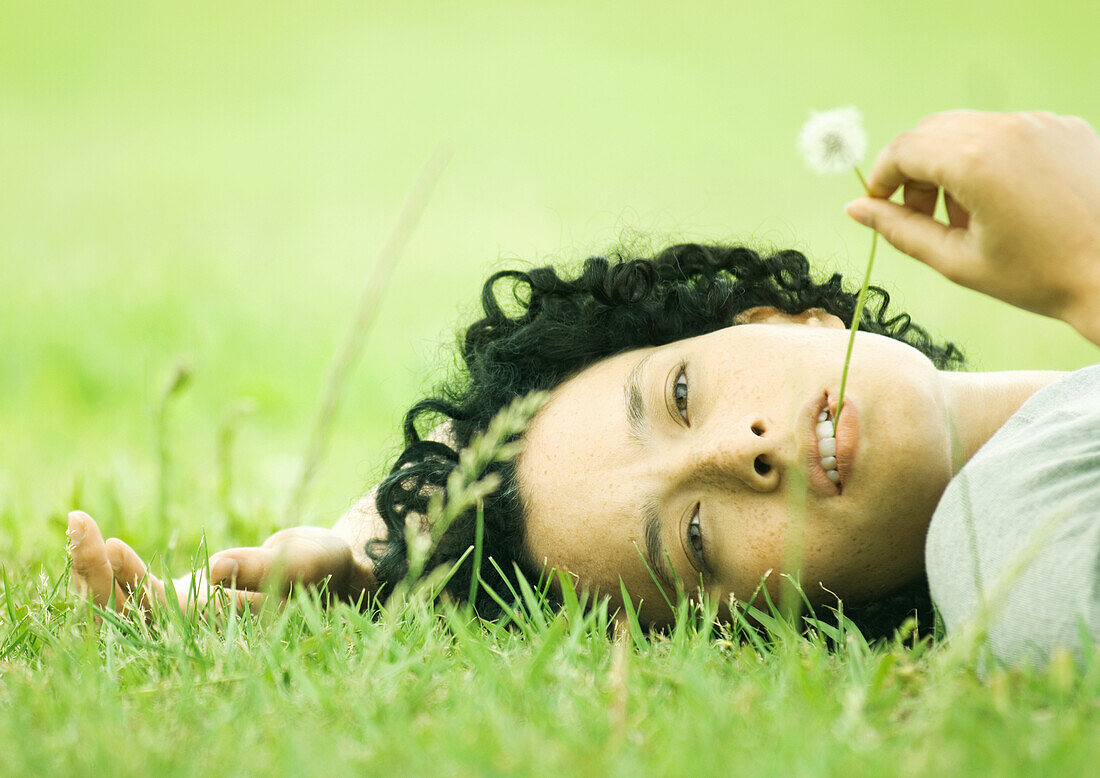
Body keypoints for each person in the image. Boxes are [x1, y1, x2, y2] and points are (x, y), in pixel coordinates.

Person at [68, 110, 1100, 665]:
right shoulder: (1016, 551)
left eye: (682, 392)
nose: (742, 451)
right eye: (695, 541)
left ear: (777, 319)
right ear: (767, 626)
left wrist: (385, 538)